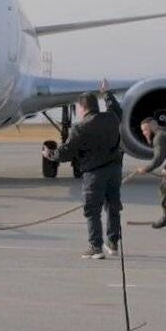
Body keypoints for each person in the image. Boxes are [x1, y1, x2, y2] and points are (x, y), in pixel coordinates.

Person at [43, 80, 123, 259]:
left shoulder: (80, 127)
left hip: (94, 173)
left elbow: (66, 153)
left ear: (82, 107)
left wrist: (50, 154)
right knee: (113, 207)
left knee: (92, 210)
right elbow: (117, 109)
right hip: (114, 170)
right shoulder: (111, 118)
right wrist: (107, 93)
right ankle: (113, 244)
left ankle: (96, 247)